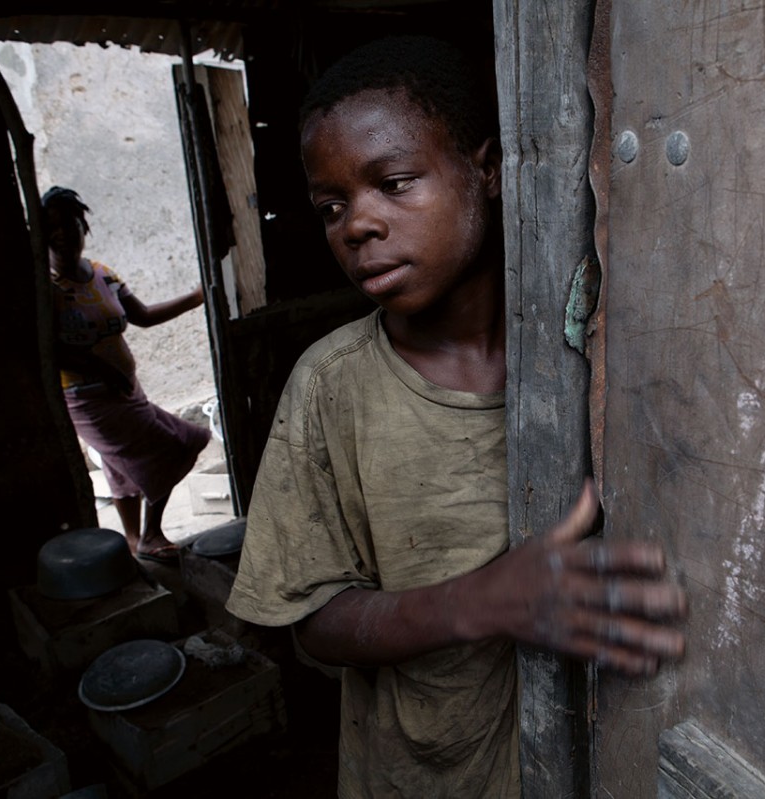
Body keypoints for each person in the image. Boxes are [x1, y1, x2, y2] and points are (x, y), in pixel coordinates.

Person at [225, 35, 687, 797]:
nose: (357, 225)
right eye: (331, 206)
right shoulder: (330, 387)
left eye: (395, 183)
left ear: (490, 169)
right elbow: (312, 620)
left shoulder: (589, 349)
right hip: (425, 769)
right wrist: (481, 599)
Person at [43, 186, 211, 563]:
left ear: (83, 226)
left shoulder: (101, 274)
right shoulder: (44, 289)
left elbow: (144, 316)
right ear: (41, 235)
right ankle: (151, 536)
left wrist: (199, 296)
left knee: (121, 474)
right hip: (87, 399)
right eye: (51, 227)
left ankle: (135, 543)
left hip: (125, 390)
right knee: (177, 445)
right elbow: (50, 351)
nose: (63, 234)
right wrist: (103, 369)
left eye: (70, 224)